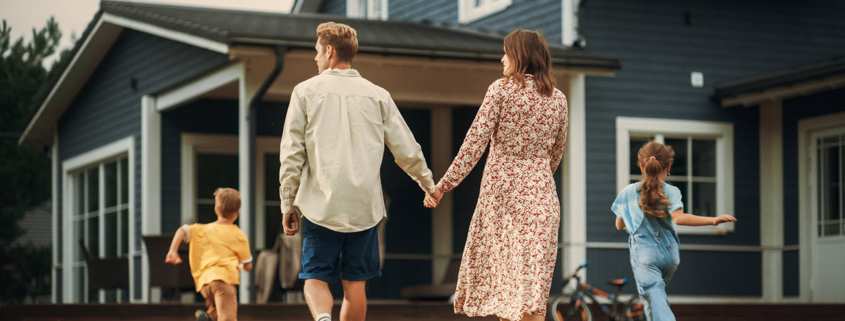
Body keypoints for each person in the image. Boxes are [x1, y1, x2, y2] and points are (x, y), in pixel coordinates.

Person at [278, 22, 436, 321]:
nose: (315, 59)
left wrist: (288, 203)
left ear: (329, 51)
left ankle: (323, 319)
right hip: (363, 208)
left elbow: (291, 154)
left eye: (316, 52)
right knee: (356, 286)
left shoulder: (305, 92)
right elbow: (406, 148)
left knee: (315, 278)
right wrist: (428, 184)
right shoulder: (378, 95)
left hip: (321, 204)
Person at [425, 29, 569, 321]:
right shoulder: (558, 99)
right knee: (530, 298)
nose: (502, 58)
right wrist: (535, 177)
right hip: (542, 203)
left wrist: (443, 186)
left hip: (503, 203)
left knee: (507, 294)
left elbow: (473, 144)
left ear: (519, 56)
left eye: (506, 52)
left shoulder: (501, 89)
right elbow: (556, 153)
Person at [612, 141, 737, 321]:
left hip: (644, 255)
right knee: (652, 298)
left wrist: (632, 212)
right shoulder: (672, 191)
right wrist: (713, 220)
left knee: (653, 294)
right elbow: (679, 218)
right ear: (668, 167)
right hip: (670, 255)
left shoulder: (628, 192)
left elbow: (619, 225)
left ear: (641, 167)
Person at [165, 187, 253, 321]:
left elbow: (182, 230)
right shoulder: (239, 235)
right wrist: (240, 266)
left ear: (216, 209)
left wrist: (172, 250)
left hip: (204, 283)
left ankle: (208, 317)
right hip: (224, 280)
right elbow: (248, 266)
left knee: (218, 309)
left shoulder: (202, 229)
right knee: (227, 316)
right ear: (238, 211)